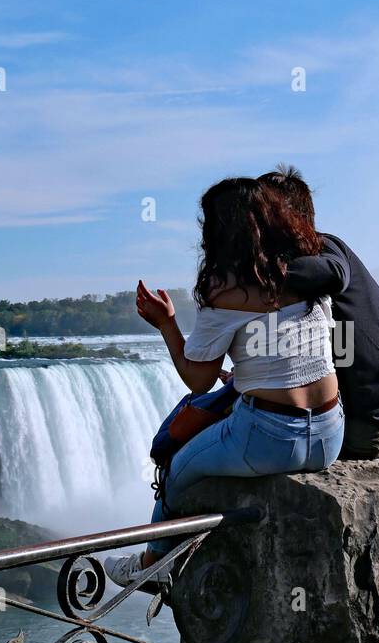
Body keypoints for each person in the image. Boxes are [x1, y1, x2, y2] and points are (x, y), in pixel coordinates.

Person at [106, 176, 344, 587]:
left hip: (270, 439)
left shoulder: (225, 288)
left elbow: (197, 380)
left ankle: (151, 568)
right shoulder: (312, 272)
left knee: (177, 468)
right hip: (329, 434)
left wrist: (166, 324)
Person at [260, 166, 379, 459]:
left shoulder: (323, 248)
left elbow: (334, 273)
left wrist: (255, 274)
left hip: (366, 430)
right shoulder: (325, 253)